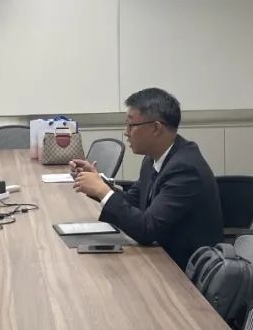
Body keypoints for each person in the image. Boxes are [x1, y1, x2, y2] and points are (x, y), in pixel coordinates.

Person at [71, 87, 223, 269]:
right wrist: (98, 184)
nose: (126, 132)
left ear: (156, 128)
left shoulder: (185, 169)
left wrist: (102, 191)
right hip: (159, 257)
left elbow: (147, 230)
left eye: (131, 125)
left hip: (183, 271)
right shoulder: (152, 158)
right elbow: (133, 202)